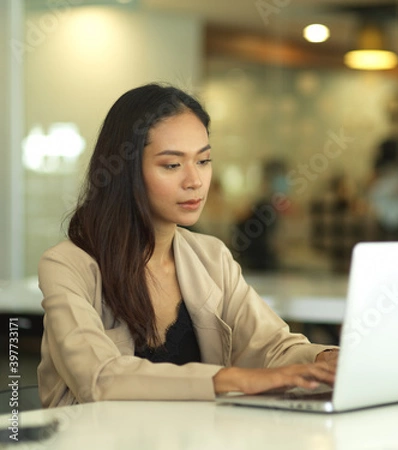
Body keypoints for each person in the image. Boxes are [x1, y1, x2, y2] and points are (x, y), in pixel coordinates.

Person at [37, 83, 338, 408]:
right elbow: (99, 378)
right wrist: (229, 379)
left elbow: (272, 346)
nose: (194, 180)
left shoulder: (211, 257)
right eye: (172, 165)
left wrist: (325, 358)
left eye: (204, 160)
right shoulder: (68, 265)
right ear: (125, 171)